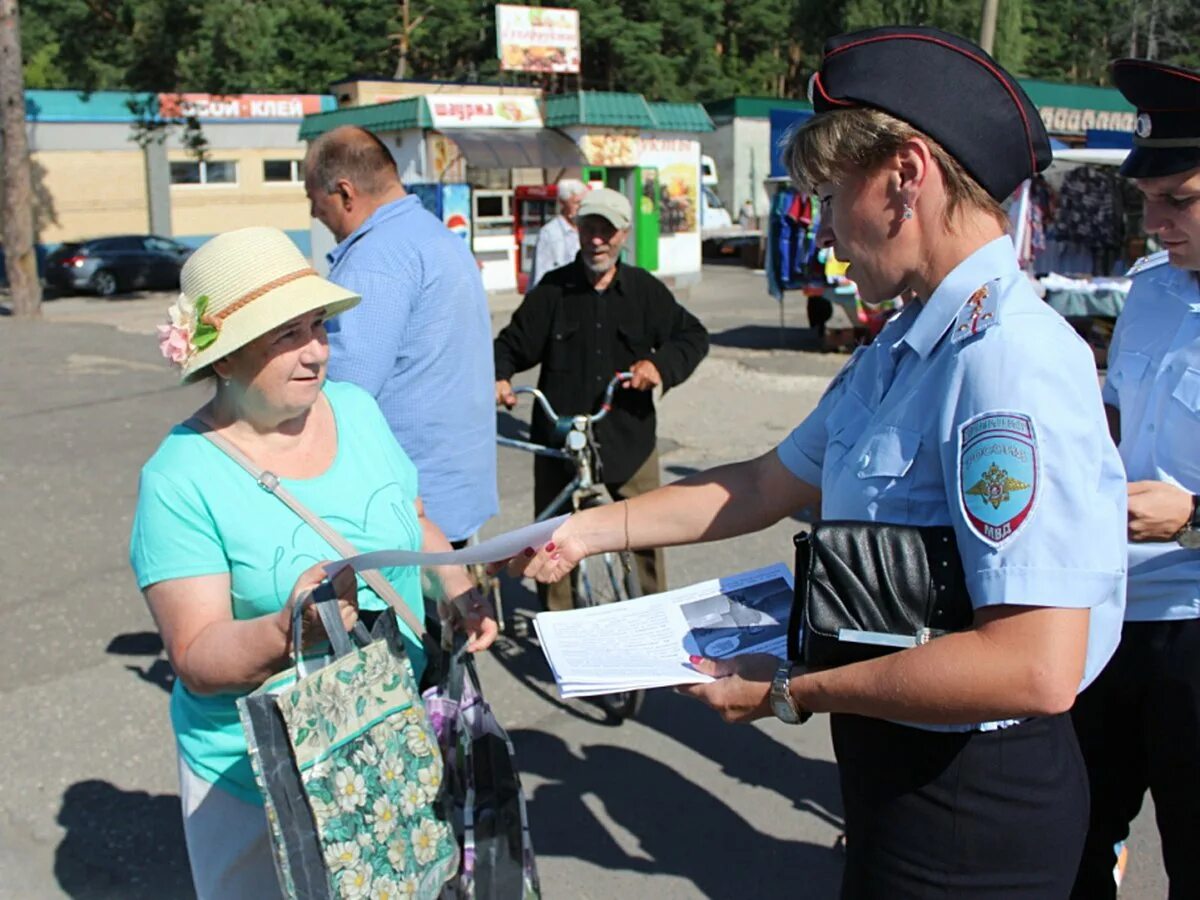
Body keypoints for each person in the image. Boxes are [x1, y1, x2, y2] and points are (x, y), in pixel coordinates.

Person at [506, 27, 1127, 897]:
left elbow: (1034, 664)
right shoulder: (907, 342)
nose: (826, 232)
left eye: (833, 196)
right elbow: (763, 483)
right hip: (898, 768)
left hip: (972, 807)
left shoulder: (1007, 361)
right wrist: (584, 529)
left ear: (906, 176)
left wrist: (791, 689)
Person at [130, 226, 498, 900]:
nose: (316, 353)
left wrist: (457, 586)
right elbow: (197, 655)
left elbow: (410, 516)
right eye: (286, 336)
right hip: (265, 784)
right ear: (226, 358)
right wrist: (287, 629)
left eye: (319, 327)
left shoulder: (356, 410)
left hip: (393, 740)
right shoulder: (179, 479)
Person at [1070, 59, 1200, 900]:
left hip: (1195, 624)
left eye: (1179, 201)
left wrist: (1195, 519)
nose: (1152, 223)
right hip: (1111, 613)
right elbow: (1116, 420)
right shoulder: (1148, 293)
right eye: (1147, 200)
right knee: (1072, 839)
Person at [494, 187, 709, 610]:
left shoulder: (645, 291)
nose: (597, 239)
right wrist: (499, 376)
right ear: (576, 229)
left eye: (606, 230)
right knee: (549, 535)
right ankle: (559, 624)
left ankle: (653, 616)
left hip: (627, 435)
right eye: (589, 227)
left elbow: (693, 336)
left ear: (623, 234)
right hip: (560, 437)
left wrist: (660, 367)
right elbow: (510, 344)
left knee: (646, 528)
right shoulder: (552, 291)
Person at [303, 125, 498, 547]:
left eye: (313, 200)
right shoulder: (436, 236)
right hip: (454, 488)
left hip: (406, 509)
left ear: (345, 192)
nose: (314, 215)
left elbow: (343, 394)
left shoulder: (374, 258)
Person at [529, 178, 586, 288]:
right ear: (562, 203)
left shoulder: (585, 229)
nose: (580, 207)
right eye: (576, 203)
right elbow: (541, 274)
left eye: (583, 202)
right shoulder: (549, 233)